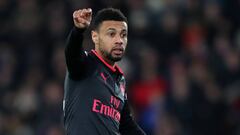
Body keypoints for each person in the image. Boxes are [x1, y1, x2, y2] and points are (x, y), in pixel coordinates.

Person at [63, 7, 146, 135]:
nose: (119, 40)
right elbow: (72, 54)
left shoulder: (120, 80)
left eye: (123, 35)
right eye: (111, 34)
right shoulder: (85, 64)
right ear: (95, 37)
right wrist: (78, 31)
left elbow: (126, 125)